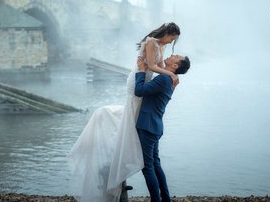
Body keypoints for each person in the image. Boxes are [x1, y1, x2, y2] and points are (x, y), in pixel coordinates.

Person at [68, 23, 181, 202]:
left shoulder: (161, 49)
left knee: (137, 127)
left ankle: (156, 196)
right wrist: (170, 75)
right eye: (172, 38)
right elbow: (152, 66)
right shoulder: (152, 42)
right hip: (140, 78)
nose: (171, 42)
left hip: (146, 82)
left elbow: (159, 67)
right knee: (133, 116)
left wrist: (169, 74)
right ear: (168, 33)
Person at [135, 54, 190, 202]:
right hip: (155, 126)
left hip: (147, 126)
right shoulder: (169, 79)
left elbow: (139, 91)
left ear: (175, 66)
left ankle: (156, 200)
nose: (172, 54)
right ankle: (165, 199)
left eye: (176, 56)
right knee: (155, 163)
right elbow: (157, 67)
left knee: (147, 167)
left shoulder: (164, 79)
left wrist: (141, 71)